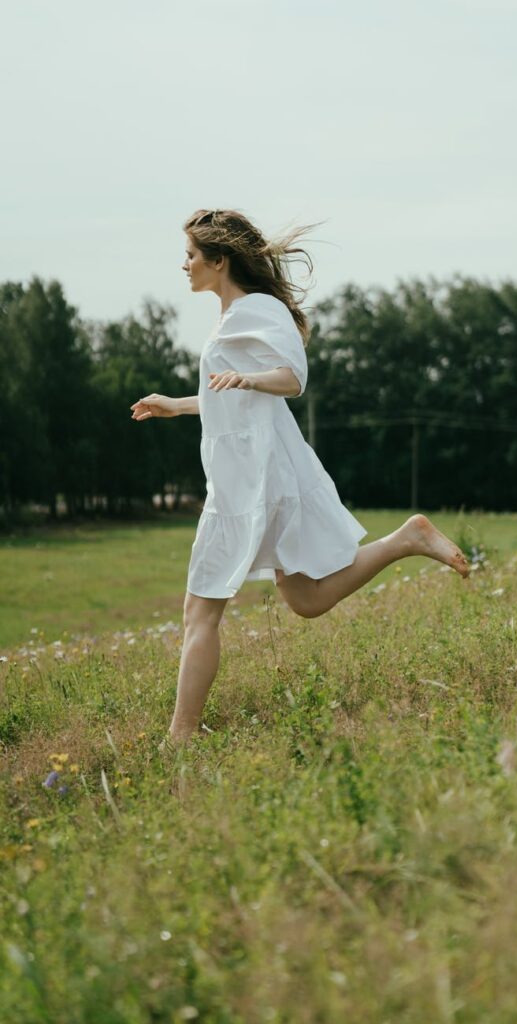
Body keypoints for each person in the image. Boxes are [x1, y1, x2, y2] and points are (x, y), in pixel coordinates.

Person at [130, 208, 470, 745]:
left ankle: (180, 737)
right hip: (248, 479)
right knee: (306, 600)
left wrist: (251, 377)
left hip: (254, 482)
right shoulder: (232, 317)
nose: (185, 265)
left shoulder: (256, 309)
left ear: (220, 261)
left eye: (192, 255)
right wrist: (178, 404)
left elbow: (291, 379)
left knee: (200, 610)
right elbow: (232, 398)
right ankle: (407, 539)